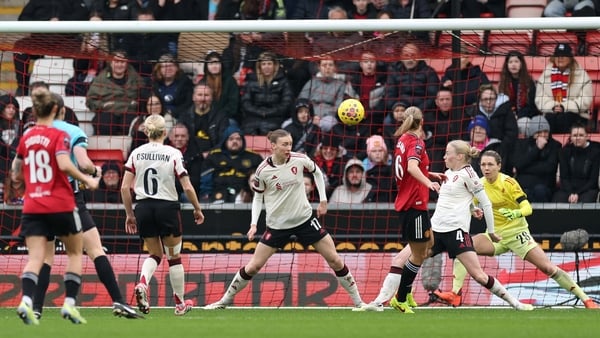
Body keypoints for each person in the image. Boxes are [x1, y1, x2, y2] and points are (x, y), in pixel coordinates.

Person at [203, 129, 364, 309]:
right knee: (254, 266)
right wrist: (254, 224)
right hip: (277, 226)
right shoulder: (262, 171)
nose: (289, 148)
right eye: (284, 144)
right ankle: (224, 301)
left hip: (305, 219)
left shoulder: (299, 159)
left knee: (334, 259)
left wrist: (323, 200)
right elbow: (258, 197)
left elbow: (317, 172)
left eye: (290, 144)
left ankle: (359, 302)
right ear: (273, 146)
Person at [434, 150, 598, 309]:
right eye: (483, 164)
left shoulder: (509, 183)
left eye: (490, 164)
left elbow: (527, 207)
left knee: (548, 268)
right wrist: (472, 209)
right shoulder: (479, 184)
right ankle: (456, 293)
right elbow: (470, 203)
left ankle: (586, 299)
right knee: (463, 247)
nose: (486, 168)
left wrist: (515, 213)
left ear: (499, 166)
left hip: (517, 234)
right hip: (494, 235)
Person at [31, 93, 141, 320]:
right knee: (94, 250)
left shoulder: (33, 133)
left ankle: (36, 308)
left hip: (40, 199)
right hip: (67, 198)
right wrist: (94, 172)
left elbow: (17, 167)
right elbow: (82, 162)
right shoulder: (72, 132)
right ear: (62, 111)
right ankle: (119, 301)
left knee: (45, 257)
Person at [13, 86, 99, 325]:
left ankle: (27, 301)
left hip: (33, 205)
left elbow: (15, 172)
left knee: (36, 258)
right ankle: (70, 304)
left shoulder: (27, 136)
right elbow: (66, 164)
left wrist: (22, 186)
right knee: (74, 252)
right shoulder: (61, 135)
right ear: (57, 110)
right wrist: (87, 179)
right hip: (61, 202)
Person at [358, 106, 446, 312]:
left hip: (413, 203)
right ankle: (401, 297)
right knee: (417, 255)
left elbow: (411, 168)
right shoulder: (417, 142)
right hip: (413, 204)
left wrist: (430, 174)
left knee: (429, 246)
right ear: (421, 121)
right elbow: (411, 168)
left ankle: (406, 287)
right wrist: (428, 183)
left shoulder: (402, 140)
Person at [121, 114, 205, 316]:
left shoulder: (137, 152)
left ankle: (142, 283)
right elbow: (187, 186)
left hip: (143, 208)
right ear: (165, 133)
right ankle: (180, 303)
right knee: (174, 257)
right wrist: (197, 208)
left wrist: (130, 214)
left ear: (147, 132)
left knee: (155, 254)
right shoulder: (173, 153)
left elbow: (125, 188)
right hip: (167, 208)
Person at [86, 50, 149, 136]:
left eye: (122, 62)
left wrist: (136, 103)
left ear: (127, 63)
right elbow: (90, 100)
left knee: (132, 124)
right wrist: (102, 105)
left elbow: (144, 97)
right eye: (116, 61)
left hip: (129, 112)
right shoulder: (100, 80)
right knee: (105, 122)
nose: (119, 65)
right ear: (111, 63)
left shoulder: (136, 79)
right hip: (107, 113)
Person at [535, 43, 592, 134]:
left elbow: (585, 99)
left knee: (565, 117)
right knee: (550, 118)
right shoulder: (545, 75)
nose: (560, 58)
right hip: (551, 113)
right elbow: (539, 98)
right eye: (557, 55)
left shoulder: (581, 75)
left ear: (570, 58)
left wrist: (565, 107)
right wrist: (552, 106)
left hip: (576, 114)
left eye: (563, 55)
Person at [199, 125, 263, 203]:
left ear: (243, 141)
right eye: (231, 139)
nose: (235, 141)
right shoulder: (214, 156)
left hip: (244, 195)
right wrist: (206, 194)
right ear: (225, 141)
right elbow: (206, 179)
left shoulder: (254, 157)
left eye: (238, 139)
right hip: (217, 194)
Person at [240, 51, 294, 135]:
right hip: (253, 117)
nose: (266, 67)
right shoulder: (251, 80)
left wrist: (269, 113)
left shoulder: (283, 81)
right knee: (248, 131)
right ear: (259, 66)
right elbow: (245, 102)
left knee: (269, 131)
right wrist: (259, 112)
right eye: (264, 64)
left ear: (274, 65)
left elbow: (286, 103)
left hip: (275, 117)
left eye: (269, 64)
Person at [512, 115, 561, 203]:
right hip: (524, 185)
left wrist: (525, 168)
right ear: (532, 133)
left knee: (539, 191)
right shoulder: (521, 144)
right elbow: (518, 164)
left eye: (545, 132)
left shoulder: (555, 145)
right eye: (539, 132)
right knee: (522, 193)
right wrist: (537, 148)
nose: (543, 135)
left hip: (545, 185)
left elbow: (550, 168)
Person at [552, 123, 600, 203]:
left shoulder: (596, 152)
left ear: (587, 136)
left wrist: (577, 193)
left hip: (588, 189)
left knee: (586, 201)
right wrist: (571, 193)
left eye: (581, 135)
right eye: (574, 135)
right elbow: (564, 178)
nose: (578, 138)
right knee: (557, 201)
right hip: (568, 189)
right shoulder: (564, 152)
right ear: (570, 137)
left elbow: (593, 180)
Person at [297, 56, 346, 132]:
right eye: (324, 65)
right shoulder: (312, 81)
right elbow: (302, 100)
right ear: (319, 67)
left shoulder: (340, 84)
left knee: (328, 124)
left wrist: (319, 116)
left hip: (328, 116)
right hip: (308, 114)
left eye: (330, 65)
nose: (327, 68)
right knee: (286, 124)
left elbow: (338, 106)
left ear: (335, 68)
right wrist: (310, 115)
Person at [497, 50, 539, 119]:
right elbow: (502, 105)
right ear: (507, 65)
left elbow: (532, 106)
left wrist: (519, 116)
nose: (513, 64)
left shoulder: (529, 82)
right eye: (510, 62)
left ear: (521, 64)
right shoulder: (503, 83)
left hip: (526, 116)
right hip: (508, 116)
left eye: (516, 61)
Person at [151, 53, 193, 119]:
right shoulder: (154, 84)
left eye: (171, 65)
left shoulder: (186, 83)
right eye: (164, 66)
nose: (168, 68)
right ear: (159, 69)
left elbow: (188, 105)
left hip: (180, 119)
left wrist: (172, 113)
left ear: (177, 68)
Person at [362, 134, 395, 203]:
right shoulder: (364, 166)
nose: (377, 153)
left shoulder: (392, 167)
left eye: (380, 150)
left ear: (385, 152)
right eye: (374, 151)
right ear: (369, 153)